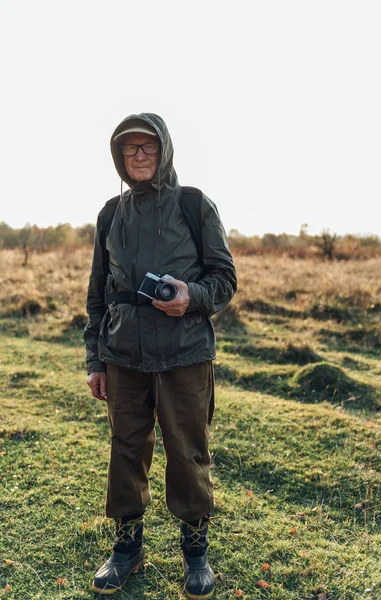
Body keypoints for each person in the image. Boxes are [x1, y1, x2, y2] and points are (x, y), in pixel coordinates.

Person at [84, 113, 236, 598]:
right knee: (126, 450)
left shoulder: (193, 205)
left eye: (148, 146)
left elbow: (224, 278)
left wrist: (190, 296)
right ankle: (127, 549)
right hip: (123, 356)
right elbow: (96, 295)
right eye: (130, 149)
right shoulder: (110, 213)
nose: (140, 155)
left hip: (185, 355)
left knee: (188, 453)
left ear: (164, 150)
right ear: (119, 158)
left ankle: (196, 555)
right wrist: (95, 359)